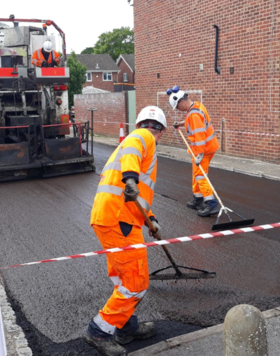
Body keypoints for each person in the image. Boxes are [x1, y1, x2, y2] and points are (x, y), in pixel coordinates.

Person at [85, 106, 167, 356]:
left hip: (113, 217)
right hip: (119, 220)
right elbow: (132, 161)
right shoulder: (143, 137)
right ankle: (98, 332)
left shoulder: (138, 141)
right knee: (135, 283)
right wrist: (130, 179)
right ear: (160, 130)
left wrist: (151, 220)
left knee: (123, 279)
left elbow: (139, 197)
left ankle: (125, 325)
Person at [169, 86, 220, 217]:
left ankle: (211, 204)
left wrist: (200, 154)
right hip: (203, 148)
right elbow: (191, 122)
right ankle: (198, 199)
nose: (178, 110)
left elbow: (200, 134)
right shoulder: (196, 107)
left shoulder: (194, 113)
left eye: (177, 107)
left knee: (200, 176)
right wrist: (180, 124)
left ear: (181, 101)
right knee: (196, 174)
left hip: (203, 149)